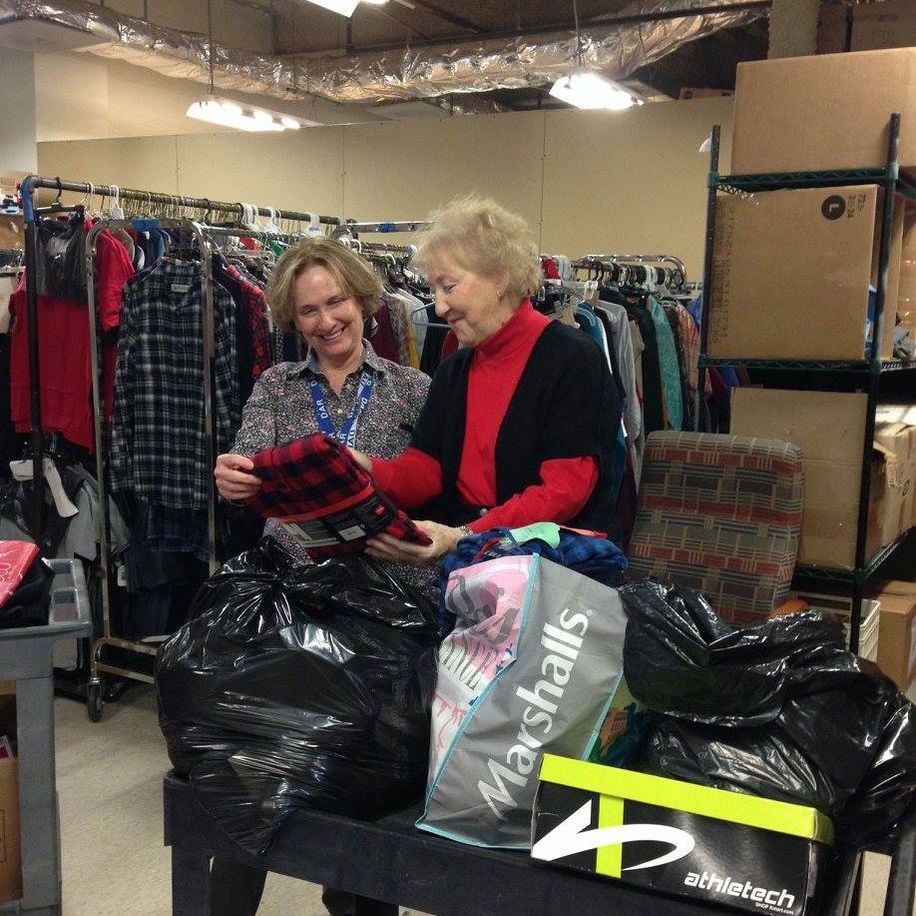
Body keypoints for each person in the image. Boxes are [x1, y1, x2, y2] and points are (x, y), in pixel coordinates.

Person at [210, 236, 429, 916]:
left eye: (336, 301)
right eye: (308, 310)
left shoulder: (414, 389)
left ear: (363, 300)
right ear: (291, 319)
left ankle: (357, 900)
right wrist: (232, 477)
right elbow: (244, 464)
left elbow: (434, 490)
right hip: (291, 596)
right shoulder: (276, 386)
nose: (326, 320)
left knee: (367, 778)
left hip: (381, 603)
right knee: (250, 765)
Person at [356, 196, 621, 568]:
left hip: (546, 571)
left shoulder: (573, 359)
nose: (439, 306)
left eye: (448, 287)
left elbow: (563, 492)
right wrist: (364, 467)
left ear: (500, 278)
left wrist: (465, 536)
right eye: (433, 290)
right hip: (471, 564)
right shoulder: (456, 366)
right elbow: (427, 470)